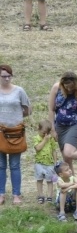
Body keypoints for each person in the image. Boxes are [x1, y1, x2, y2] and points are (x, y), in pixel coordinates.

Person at [0, 64, 30, 206]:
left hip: (15, 132)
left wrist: (16, 117)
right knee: (0, 165)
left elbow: (27, 109)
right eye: (3, 76)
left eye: (9, 76)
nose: (6, 79)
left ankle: (16, 194)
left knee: (15, 165)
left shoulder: (19, 91)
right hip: (0, 132)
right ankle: (1, 193)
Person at [32, 120, 58, 204]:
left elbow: (54, 150)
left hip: (49, 163)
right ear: (38, 130)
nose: (45, 135)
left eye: (47, 133)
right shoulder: (36, 138)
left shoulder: (51, 139)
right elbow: (38, 148)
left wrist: (55, 162)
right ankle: (40, 195)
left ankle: (49, 196)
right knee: (39, 179)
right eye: (43, 133)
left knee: (49, 180)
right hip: (39, 163)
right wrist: (45, 140)